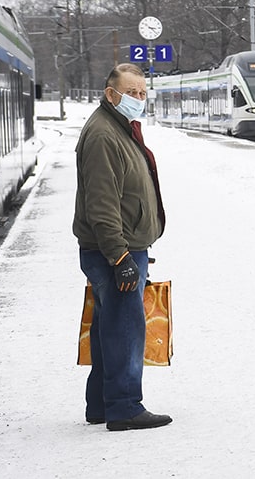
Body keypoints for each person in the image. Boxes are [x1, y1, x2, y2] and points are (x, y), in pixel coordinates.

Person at [72, 63, 171, 431]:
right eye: (132, 93)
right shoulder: (103, 135)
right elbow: (101, 204)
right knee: (125, 330)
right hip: (115, 251)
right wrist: (120, 256)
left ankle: (101, 403)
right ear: (111, 94)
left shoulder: (117, 128)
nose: (138, 99)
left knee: (108, 327)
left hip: (122, 248)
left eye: (143, 93)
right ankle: (125, 407)